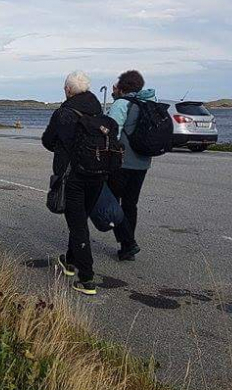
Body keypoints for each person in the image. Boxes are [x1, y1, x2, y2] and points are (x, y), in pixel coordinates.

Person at [41, 71, 106, 295]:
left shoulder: (64, 113)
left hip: (73, 175)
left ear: (68, 90)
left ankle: (87, 278)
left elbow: (48, 140)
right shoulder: (98, 110)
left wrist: (62, 150)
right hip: (98, 173)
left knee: (77, 224)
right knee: (79, 217)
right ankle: (69, 260)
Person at [106, 70, 155, 261]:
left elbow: (112, 132)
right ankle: (127, 248)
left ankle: (129, 242)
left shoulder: (121, 104)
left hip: (122, 161)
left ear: (122, 87)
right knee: (130, 204)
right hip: (143, 161)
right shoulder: (149, 102)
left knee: (111, 200)